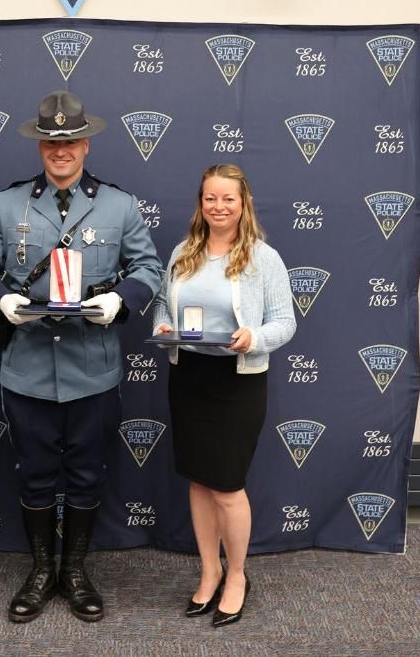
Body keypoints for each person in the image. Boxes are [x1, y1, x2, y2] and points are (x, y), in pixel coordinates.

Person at [0, 90, 163, 623]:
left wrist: (120, 301)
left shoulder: (119, 205)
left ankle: (75, 570)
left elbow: (149, 270)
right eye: (52, 141)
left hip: (92, 369)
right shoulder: (7, 205)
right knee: (35, 474)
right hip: (26, 369)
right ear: (40, 145)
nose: (61, 149)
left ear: (86, 144)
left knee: (88, 475)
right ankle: (42, 568)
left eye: (70, 140)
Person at [151, 163, 296, 627]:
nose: (219, 207)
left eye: (228, 199)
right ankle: (209, 572)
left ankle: (237, 575)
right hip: (189, 376)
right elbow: (160, 304)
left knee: (228, 486)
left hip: (237, 381)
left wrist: (254, 337)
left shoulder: (262, 258)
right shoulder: (182, 251)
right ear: (200, 203)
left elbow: (286, 322)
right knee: (198, 480)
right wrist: (162, 326)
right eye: (210, 198)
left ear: (243, 203)